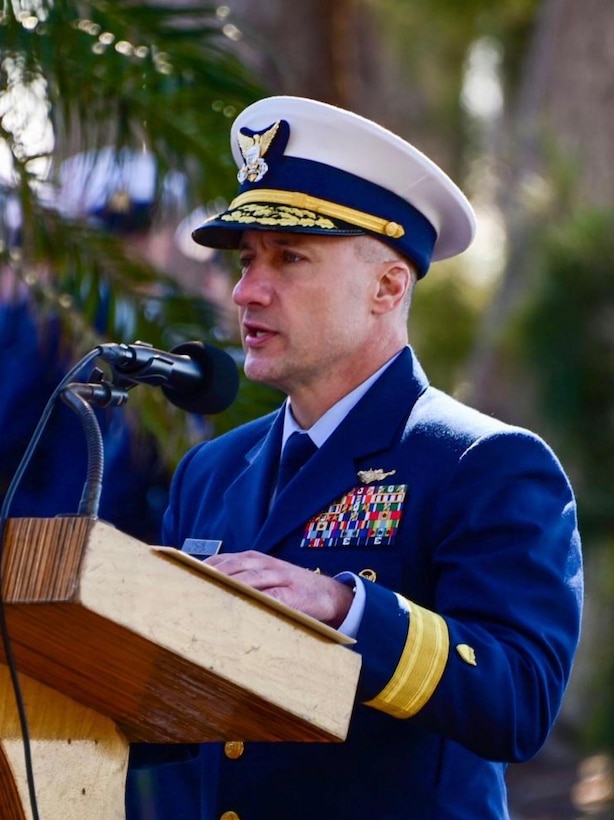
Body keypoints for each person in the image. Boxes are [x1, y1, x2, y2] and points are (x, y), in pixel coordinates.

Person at [125, 96, 583, 819]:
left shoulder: (485, 463)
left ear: (388, 285)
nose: (247, 290)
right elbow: (177, 714)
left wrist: (346, 610)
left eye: (290, 257)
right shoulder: (212, 471)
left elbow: (520, 700)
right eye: (246, 260)